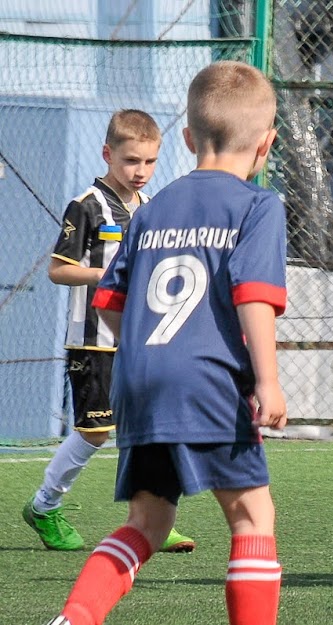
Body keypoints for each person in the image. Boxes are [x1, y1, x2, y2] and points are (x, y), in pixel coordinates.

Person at [45, 60, 288, 625]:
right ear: (267, 142)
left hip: (139, 382)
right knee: (253, 517)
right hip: (208, 383)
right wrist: (270, 382)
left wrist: (145, 358)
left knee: (146, 524)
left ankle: (74, 618)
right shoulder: (258, 205)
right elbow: (254, 295)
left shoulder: (152, 210)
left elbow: (109, 301)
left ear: (184, 138)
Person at [23, 109, 195, 554]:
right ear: (108, 154)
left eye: (150, 162)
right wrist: (111, 273)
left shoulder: (149, 208)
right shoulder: (86, 206)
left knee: (149, 427)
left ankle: (152, 518)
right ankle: (44, 505)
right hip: (93, 339)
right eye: (131, 161)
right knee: (96, 431)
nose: (141, 171)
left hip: (139, 338)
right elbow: (59, 272)